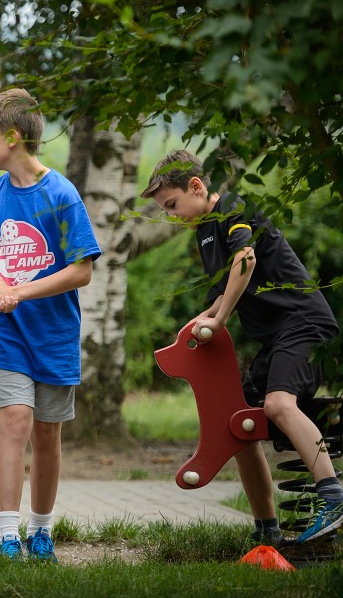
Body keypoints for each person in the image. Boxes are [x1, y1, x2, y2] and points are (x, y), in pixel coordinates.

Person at [142, 149, 341, 544]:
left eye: (172, 204)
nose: (171, 215)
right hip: (277, 336)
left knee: (278, 405)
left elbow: (245, 261)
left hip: (304, 323)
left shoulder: (234, 208)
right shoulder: (205, 233)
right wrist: (200, 321)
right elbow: (222, 296)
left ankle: (333, 497)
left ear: (196, 186)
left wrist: (217, 319)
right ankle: (267, 531)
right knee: (237, 423)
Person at [0, 88, 101, 562]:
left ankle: (41, 531)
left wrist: (18, 292)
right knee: (15, 421)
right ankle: (7, 535)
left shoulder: (60, 195)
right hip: (4, 335)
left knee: (47, 433)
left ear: (12, 137)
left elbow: (82, 269)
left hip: (51, 336)